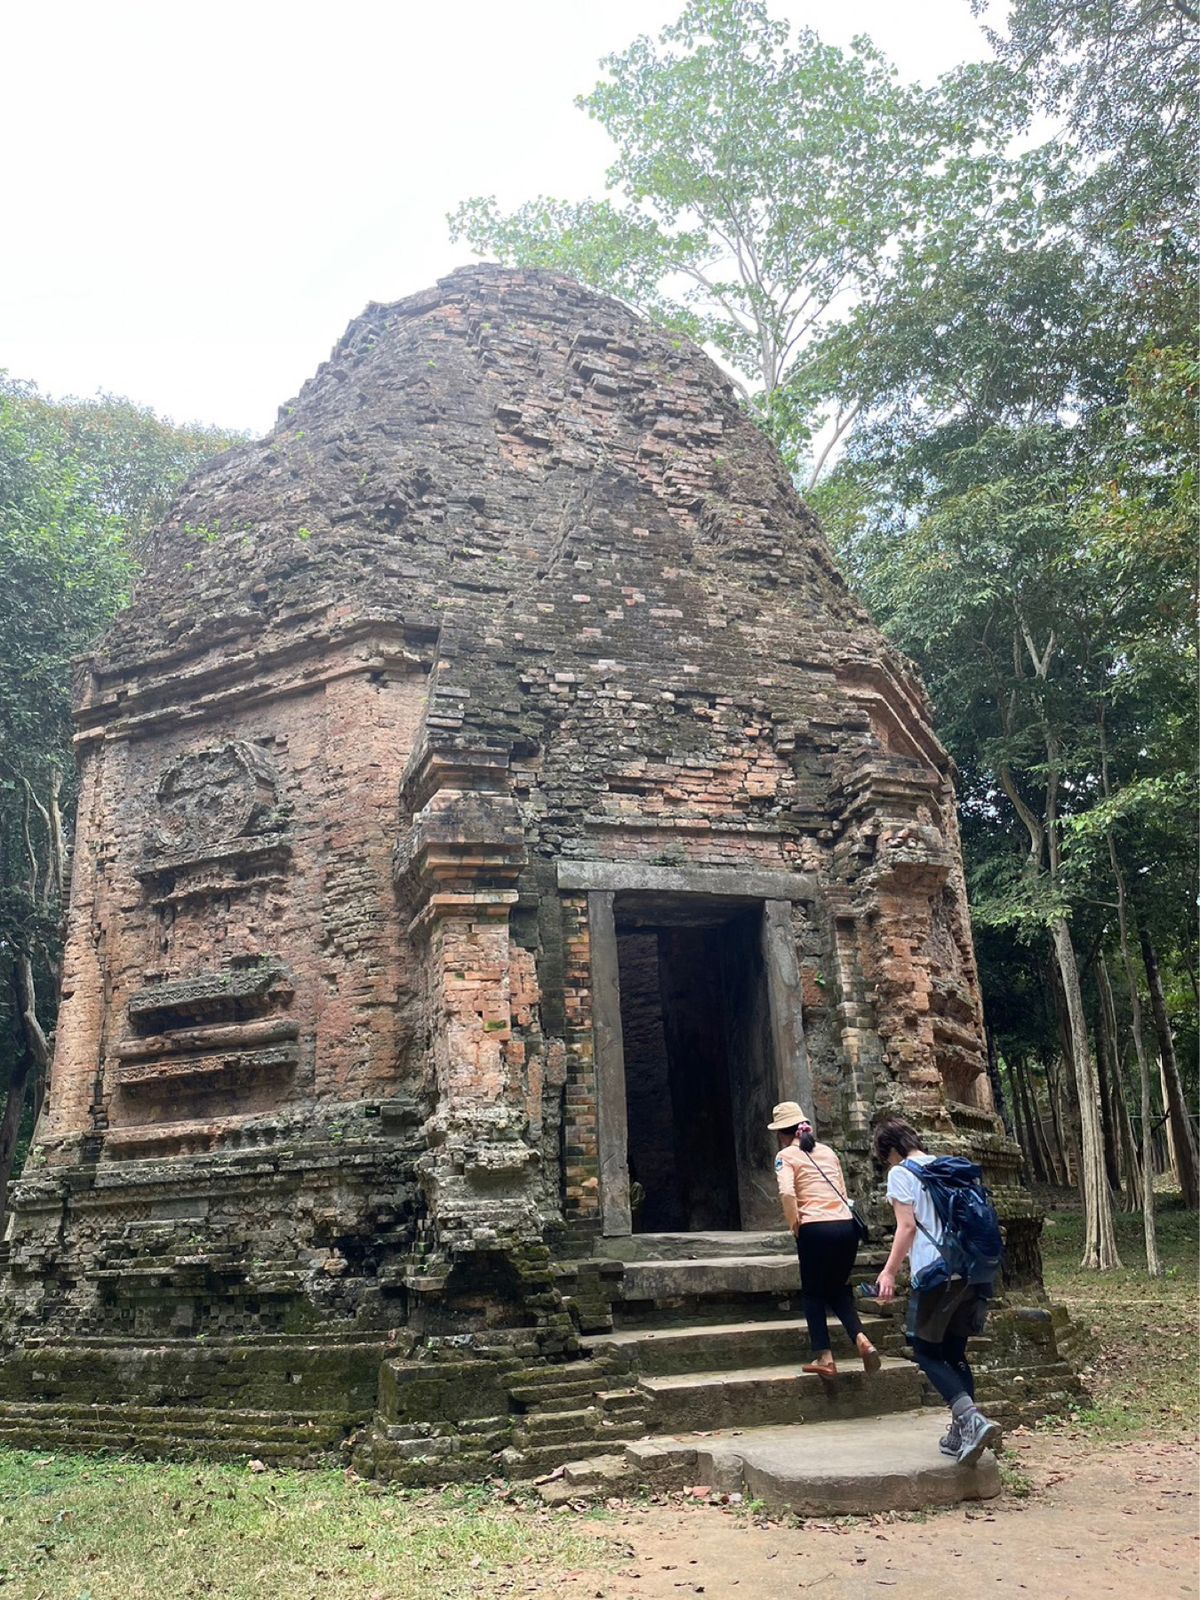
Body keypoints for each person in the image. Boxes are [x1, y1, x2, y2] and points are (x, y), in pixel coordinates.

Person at [871, 1115, 1002, 1466]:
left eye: (886, 1157)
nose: (888, 1163)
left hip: (936, 1273)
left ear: (893, 1150)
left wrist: (888, 1271)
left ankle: (971, 1420)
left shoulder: (901, 1173)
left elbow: (907, 1226)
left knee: (926, 1350)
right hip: (973, 1272)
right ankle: (962, 1434)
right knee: (955, 1352)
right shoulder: (946, 1167)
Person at [770, 1099, 880, 1380]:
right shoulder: (828, 1152)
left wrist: (795, 1224)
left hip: (815, 1229)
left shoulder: (787, 1156)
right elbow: (842, 1191)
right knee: (836, 1288)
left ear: (783, 1134)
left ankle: (825, 1357)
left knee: (812, 1292)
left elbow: (787, 1193)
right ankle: (862, 1340)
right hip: (846, 1228)